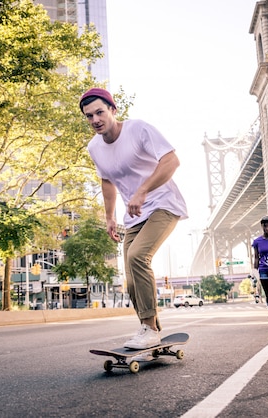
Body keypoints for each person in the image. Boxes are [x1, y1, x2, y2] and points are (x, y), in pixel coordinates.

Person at [80, 87, 188, 349]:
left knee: (138, 256)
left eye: (100, 112)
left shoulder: (138, 129)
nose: (95, 120)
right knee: (129, 275)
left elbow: (172, 161)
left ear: (113, 110)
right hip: (134, 215)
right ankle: (148, 327)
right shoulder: (94, 147)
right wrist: (109, 217)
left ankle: (150, 329)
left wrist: (142, 191)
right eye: (89, 116)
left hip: (163, 204)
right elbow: (107, 180)